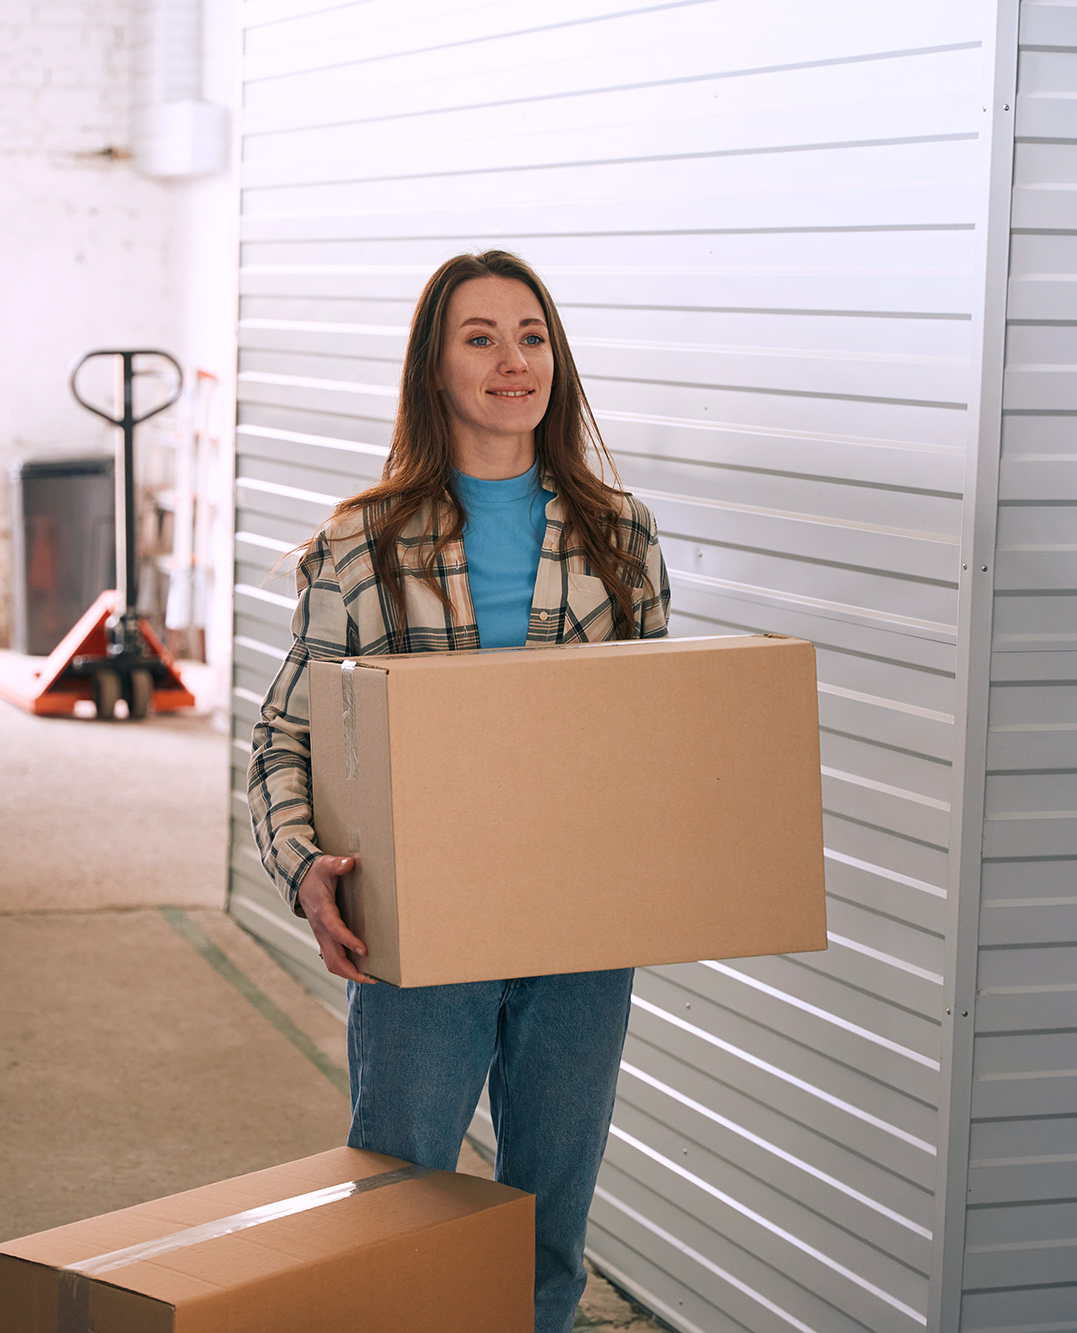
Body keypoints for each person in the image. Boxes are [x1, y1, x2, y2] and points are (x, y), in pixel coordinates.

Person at [248, 250, 670, 1332]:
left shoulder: (618, 536)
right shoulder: (360, 544)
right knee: (399, 1213)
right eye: (477, 337)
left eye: (529, 335)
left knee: (547, 1231)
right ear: (433, 369)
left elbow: (657, 737)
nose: (509, 360)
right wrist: (306, 872)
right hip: (424, 917)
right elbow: (284, 736)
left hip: (578, 927)